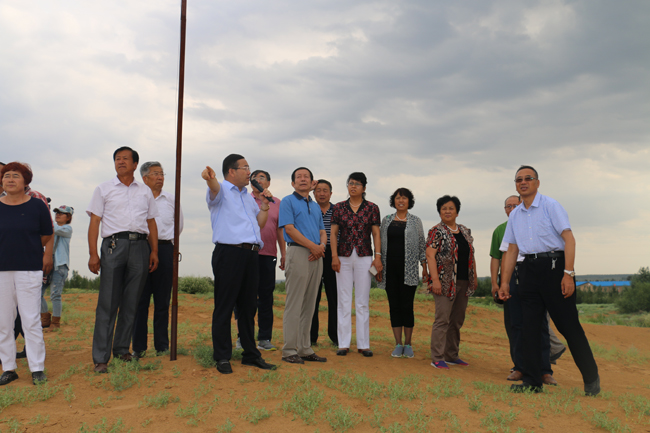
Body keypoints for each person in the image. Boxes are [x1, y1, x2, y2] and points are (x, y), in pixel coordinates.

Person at [499, 165, 600, 395]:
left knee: (569, 326)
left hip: (555, 269)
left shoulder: (551, 206)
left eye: (528, 178)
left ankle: (591, 378)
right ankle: (532, 381)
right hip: (527, 272)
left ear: (537, 182)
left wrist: (568, 273)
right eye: (518, 180)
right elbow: (512, 250)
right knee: (530, 329)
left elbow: (569, 239)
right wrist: (505, 282)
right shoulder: (515, 214)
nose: (523, 182)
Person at [87, 147, 159, 374]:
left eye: (125, 159)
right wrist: (92, 253)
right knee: (107, 303)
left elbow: (151, 223)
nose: (120, 162)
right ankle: (101, 358)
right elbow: (95, 222)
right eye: (117, 159)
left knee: (131, 303)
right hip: (113, 246)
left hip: (140, 246)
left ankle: (121, 349)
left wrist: (154, 251)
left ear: (136, 164)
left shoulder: (145, 191)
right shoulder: (103, 189)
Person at [202, 154, 276, 374]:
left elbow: (259, 225)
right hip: (229, 254)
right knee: (225, 306)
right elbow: (213, 185)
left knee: (248, 307)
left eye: (249, 168)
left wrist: (264, 206)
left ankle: (250, 354)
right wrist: (209, 178)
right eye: (245, 168)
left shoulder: (247, 196)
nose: (249, 172)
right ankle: (223, 356)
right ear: (231, 171)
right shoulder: (222, 190)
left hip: (252, 254)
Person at [492, 195, 564, 385]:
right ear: (505, 210)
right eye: (509, 206)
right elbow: (502, 256)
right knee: (516, 323)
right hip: (513, 276)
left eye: (516, 205)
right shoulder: (505, 229)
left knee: (540, 323)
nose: (512, 209)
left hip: (534, 273)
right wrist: (501, 282)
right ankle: (519, 367)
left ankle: (544, 370)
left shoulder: (536, 221)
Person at [0, 162, 52, 385]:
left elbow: (45, 235)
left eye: (16, 176)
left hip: (29, 269)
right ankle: (9, 368)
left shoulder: (37, 206)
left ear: (26, 182)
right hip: (1, 271)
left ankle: (37, 368)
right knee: (4, 321)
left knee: (30, 320)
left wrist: (27, 249)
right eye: (7, 176)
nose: (10, 179)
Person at [132, 162, 184, 357]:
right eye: (155, 174)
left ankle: (162, 345)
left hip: (164, 249)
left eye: (162, 173)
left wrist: (166, 244)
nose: (160, 177)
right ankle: (138, 347)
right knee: (140, 300)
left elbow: (178, 226)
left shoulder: (171, 200)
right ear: (144, 178)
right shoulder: (137, 198)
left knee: (163, 300)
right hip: (140, 249)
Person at [278, 167, 328, 364]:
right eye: (298, 177)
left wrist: (321, 247)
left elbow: (322, 230)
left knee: (309, 304)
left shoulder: (315, 206)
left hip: (317, 255)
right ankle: (289, 350)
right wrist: (312, 247)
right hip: (298, 252)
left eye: (306, 176)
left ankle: (305, 348)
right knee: (294, 303)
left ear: (311, 182)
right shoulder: (287, 201)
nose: (303, 179)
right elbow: (289, 229)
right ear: (293, 183)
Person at [331, 172, 382, 357]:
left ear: (364, 188)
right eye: (350, 183)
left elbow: (376, 234)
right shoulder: (338, 208)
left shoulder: (372, 208)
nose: (353, 186)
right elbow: (333, 234)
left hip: (365, 256)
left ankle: (363, 344)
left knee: (362, 301)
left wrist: (378, 257)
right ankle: (343, 343)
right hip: (342, 257)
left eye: (357, 184)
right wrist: (334, 256)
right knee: (343, 300)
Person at [234, 169, 285, 352]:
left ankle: (264, 338)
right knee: (244, 297)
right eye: (254, 177)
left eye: (262, 177)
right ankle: (242, 337)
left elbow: (280, 230)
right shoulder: (243, 199)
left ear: (269, 183)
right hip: (247, 253)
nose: (257, 180)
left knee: (265, 297)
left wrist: (283, 253)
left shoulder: (277, 202)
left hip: (268, 254)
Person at [426, 195, 477, 369]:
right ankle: (437, 357)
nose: (447, 211)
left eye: (451, 208)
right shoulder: (436, 231)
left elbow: (471, 255)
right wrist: (435, 280)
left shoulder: (465, 231)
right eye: (444, 208)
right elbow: (430, 255)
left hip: (463, 281)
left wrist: (474, 277)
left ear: (457, 211)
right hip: (444, 282)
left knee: (456, 320)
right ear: (439, 211)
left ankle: (451, 355)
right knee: (442, 320)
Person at [379, 188, 427, 359]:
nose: (401, 201)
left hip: (410, 270)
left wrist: (425, 268)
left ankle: (409, 344)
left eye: (404, 198)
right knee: (394, 306)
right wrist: (378, 265)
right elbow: (379, 244)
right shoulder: (386, 220)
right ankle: (398, 343)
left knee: (407, 306)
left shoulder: (415, 221)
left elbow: (422, 245)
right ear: (394, 201)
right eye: (398, 198)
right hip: (389, 269)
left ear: (409, 201)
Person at [310, 180, 338, 347]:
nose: (321, 193)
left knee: (334, 297)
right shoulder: (309, 209)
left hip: (333, 256)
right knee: (313, 296)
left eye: (325, 190)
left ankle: (335, 336)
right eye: (318, 190)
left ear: (331, 193)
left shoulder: (338, 211)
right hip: (313, 253)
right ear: (314, 193)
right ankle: (311, 336)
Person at [40, 205, 74, 331]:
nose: (58, 214)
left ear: (68, 217)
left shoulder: (67, 229)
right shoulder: (53, 227)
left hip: (60, 265)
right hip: (48, 263)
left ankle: (55, 323)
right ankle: (45, 319)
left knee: (55, 294)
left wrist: (44, 216)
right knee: (37, 292)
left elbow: (53, 229)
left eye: (62, 213)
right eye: (56, 212)